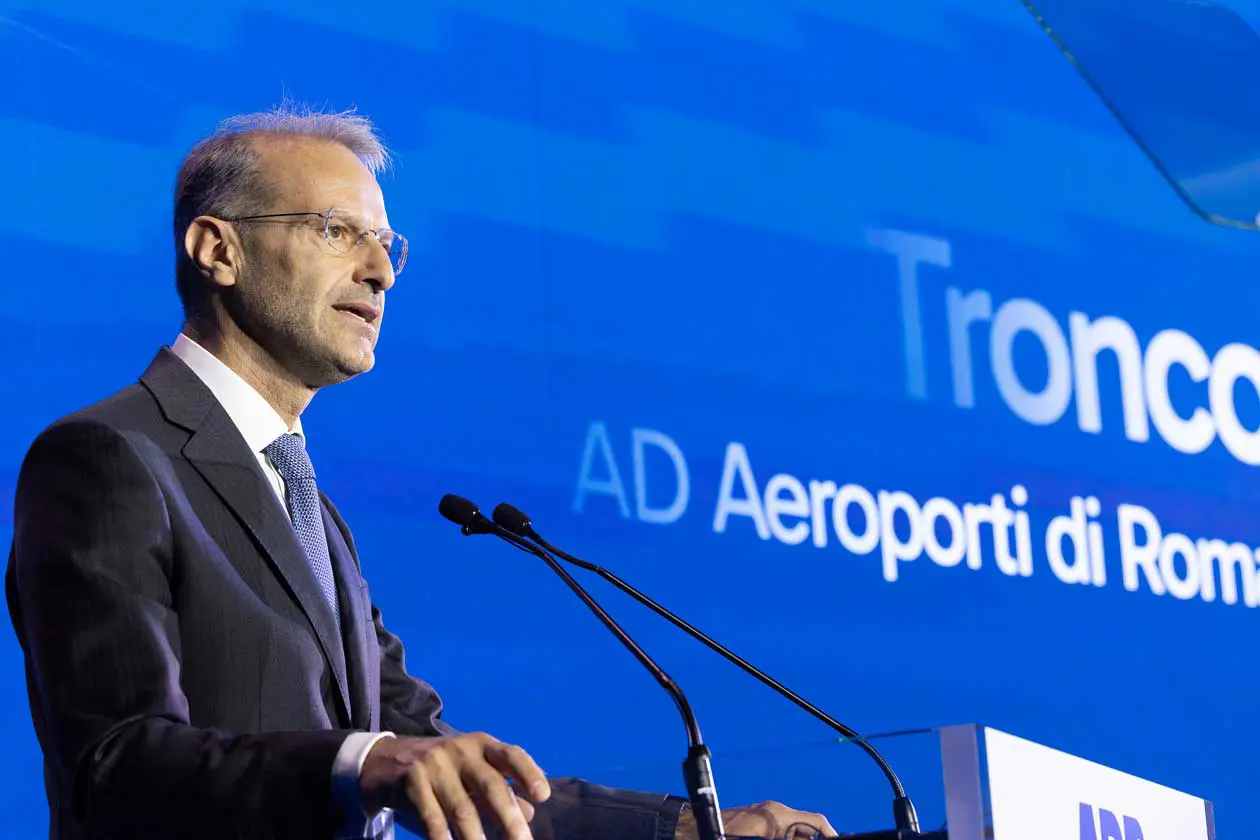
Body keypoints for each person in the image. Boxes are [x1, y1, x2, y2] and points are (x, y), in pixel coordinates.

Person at [5, 105, 839, 840]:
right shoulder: (110, 456)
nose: (381, 270)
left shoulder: (309, 509)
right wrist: (362, 763)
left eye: (385, 242)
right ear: (217, 249)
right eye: (337, 231)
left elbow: (447, 770)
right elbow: (114, 765)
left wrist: (692, 829)